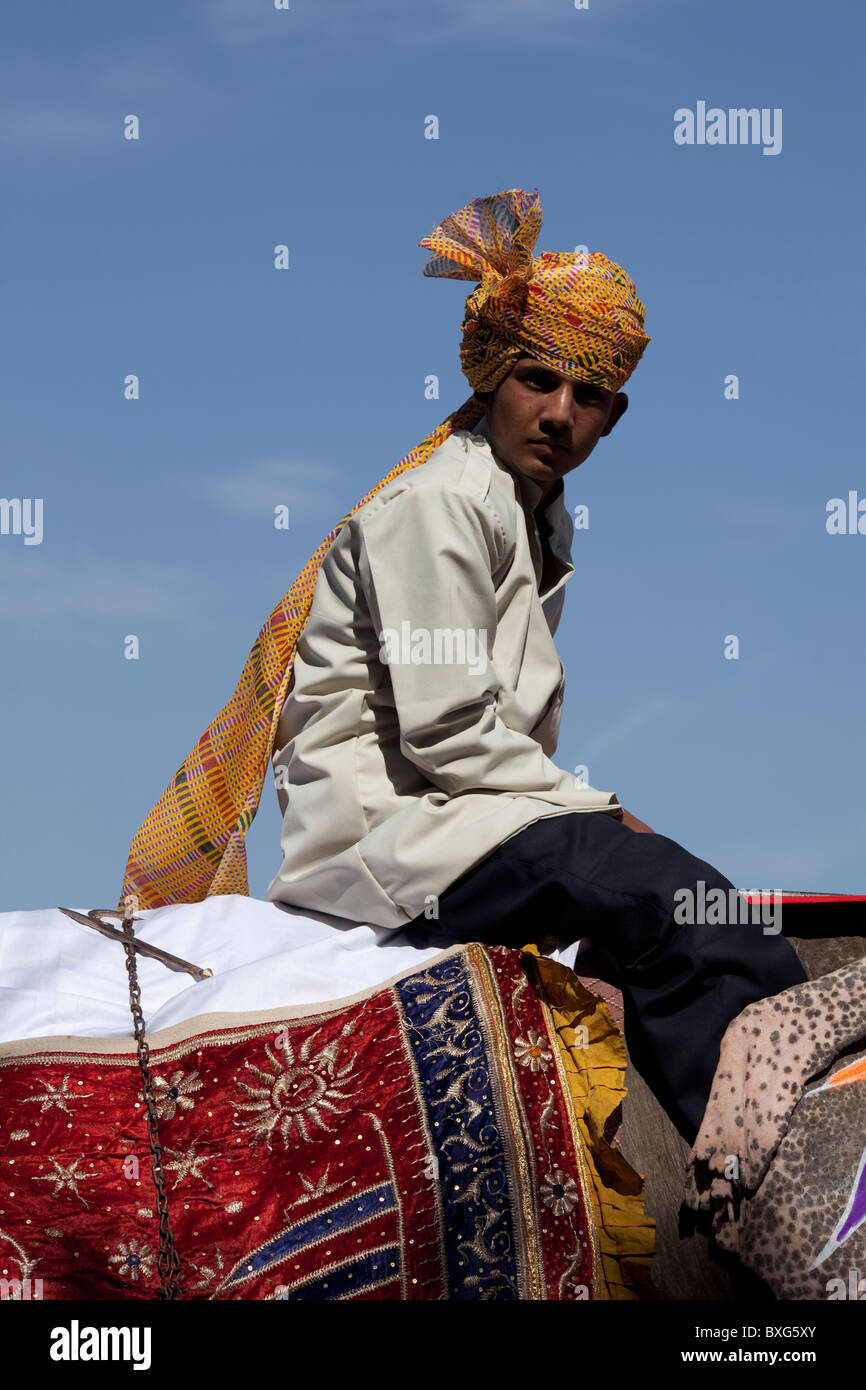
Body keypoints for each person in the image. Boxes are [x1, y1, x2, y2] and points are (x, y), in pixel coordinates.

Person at [121, 188, 806, 1145]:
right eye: (538, 381)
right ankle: (766, 1165)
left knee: (683, 893)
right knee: (662, 892)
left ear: (617, 413)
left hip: (464, 815)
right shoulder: (440, 504)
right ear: (493, 381)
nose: (561, 414)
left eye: (589, 396)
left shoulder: (527, 512)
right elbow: (449, 730)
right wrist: (602, 814)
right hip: (395, 832)